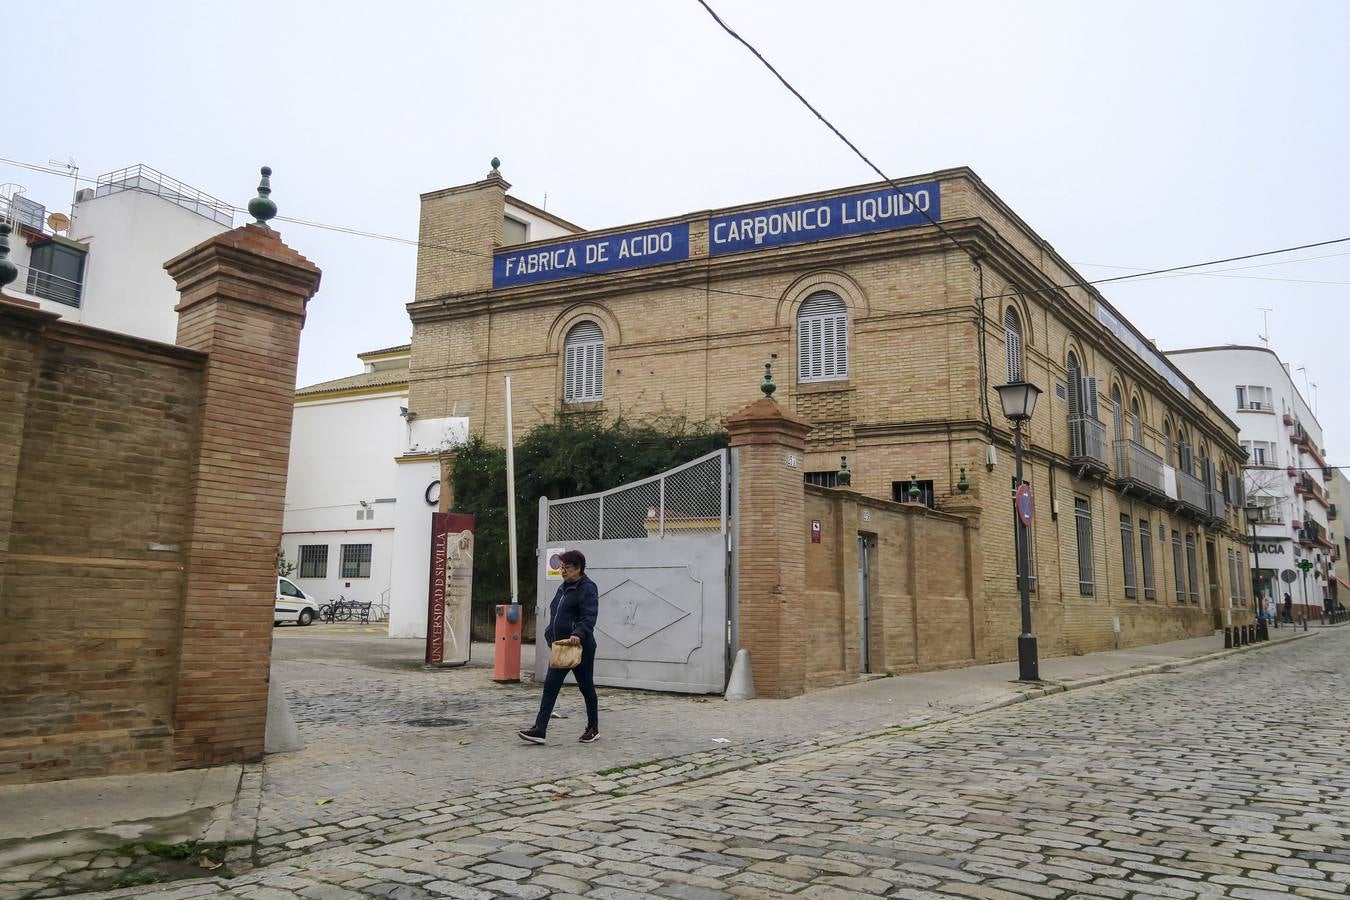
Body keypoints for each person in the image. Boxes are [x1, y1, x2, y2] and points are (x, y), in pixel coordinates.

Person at [518, 549, 600, 745]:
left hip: (580, 647)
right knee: (550, 686)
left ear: (578, 568)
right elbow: (555, 614)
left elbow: (589, 616)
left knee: (586, 687)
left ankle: (593, 728)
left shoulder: (588, 588)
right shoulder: (563, 588)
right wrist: (549, 635)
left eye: (567, 567)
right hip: (562, 647)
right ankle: (540, 729)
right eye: (562, 567)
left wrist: (578, 634)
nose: (563, 571)